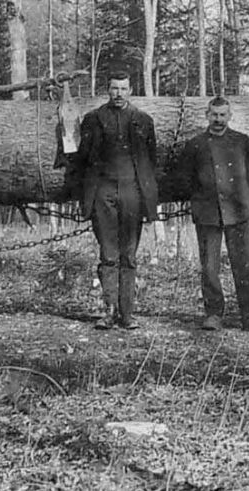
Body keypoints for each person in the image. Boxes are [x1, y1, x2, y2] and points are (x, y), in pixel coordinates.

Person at [176, 97, 249, 334]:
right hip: (208, 212)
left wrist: (244, 195)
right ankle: (214, 313)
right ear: (207, 115)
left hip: (238, 211)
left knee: (243, 265)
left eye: (222, 115)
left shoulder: (241, 142)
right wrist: (200, 196)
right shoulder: (195, 145)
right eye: (214, 115)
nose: (218, 120)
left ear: (230, 116)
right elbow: (184, 178)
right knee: (209, 267)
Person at [74, 71, 158, 330]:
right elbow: (83, 160)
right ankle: (109, 310)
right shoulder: (93, 119)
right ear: (107, 90)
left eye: (123, 88)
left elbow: (151, 161)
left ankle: (127, 313)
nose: (119, 93)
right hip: (104, 192)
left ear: (130, 90)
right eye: (114, 88)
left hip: (132, 193)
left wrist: (148, 197)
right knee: (108, 254)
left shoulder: (143, 120)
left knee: (129, 255)